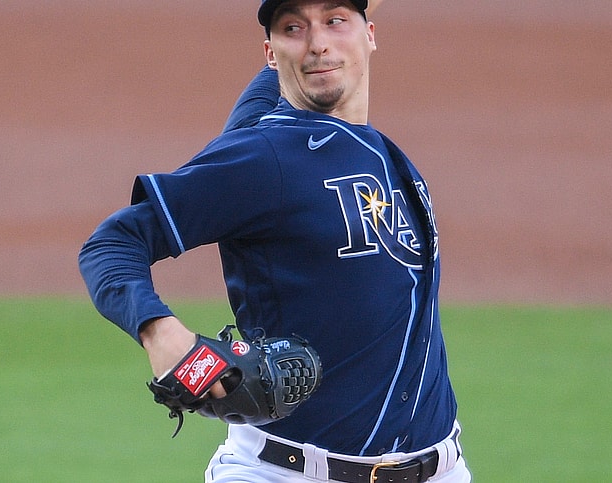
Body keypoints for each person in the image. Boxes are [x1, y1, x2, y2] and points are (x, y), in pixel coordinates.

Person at [78, 0, 472, 481]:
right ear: (271, 51)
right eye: (293, 28)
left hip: (440, 469)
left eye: (335, 21)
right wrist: (162, 334)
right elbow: (112, 243)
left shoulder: (372, 146)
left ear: (370, 33)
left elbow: (314, 60)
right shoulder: (264, 159)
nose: (318, 42)